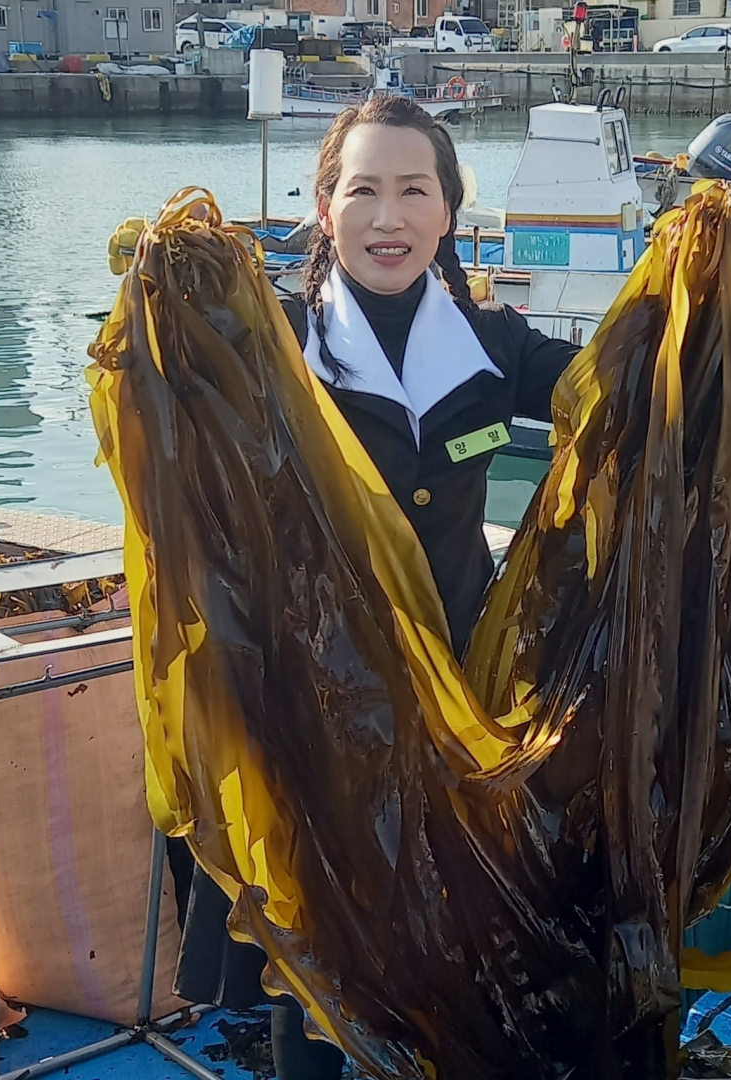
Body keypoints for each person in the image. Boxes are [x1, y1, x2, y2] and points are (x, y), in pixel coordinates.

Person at [171, 95, 580, 1079]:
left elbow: (621, 396)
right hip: (309, 703)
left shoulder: (496, 346)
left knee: (455, 942)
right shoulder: (272, 346)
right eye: (363, 189)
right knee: (316, 952)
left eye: (414, 190)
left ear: (448, 214)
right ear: (324, 207)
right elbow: (165, 411)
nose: (387, 216)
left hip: (460, 698)